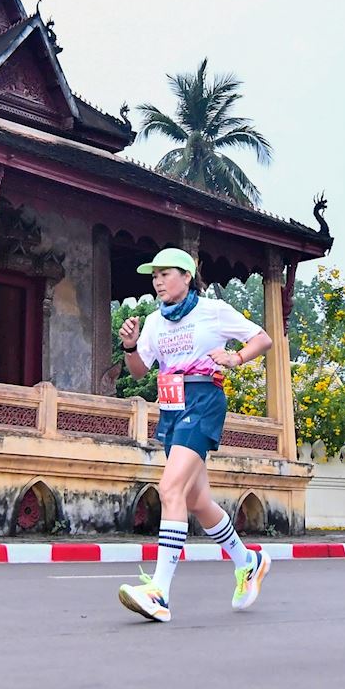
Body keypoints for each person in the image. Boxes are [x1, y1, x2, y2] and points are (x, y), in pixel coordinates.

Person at [115, 248, 274, 622]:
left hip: (203, 399)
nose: (157, 281)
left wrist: (235, 358)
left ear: (187, 276)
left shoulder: (212, 311)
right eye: (153, 276)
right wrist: (129, 344)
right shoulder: (154, 321)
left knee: (170, 488)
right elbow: (138, 371)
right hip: (171, 404)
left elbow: (261, 338)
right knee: (198, 500)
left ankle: (159, 593)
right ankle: (248, 561)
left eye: (165, 274)